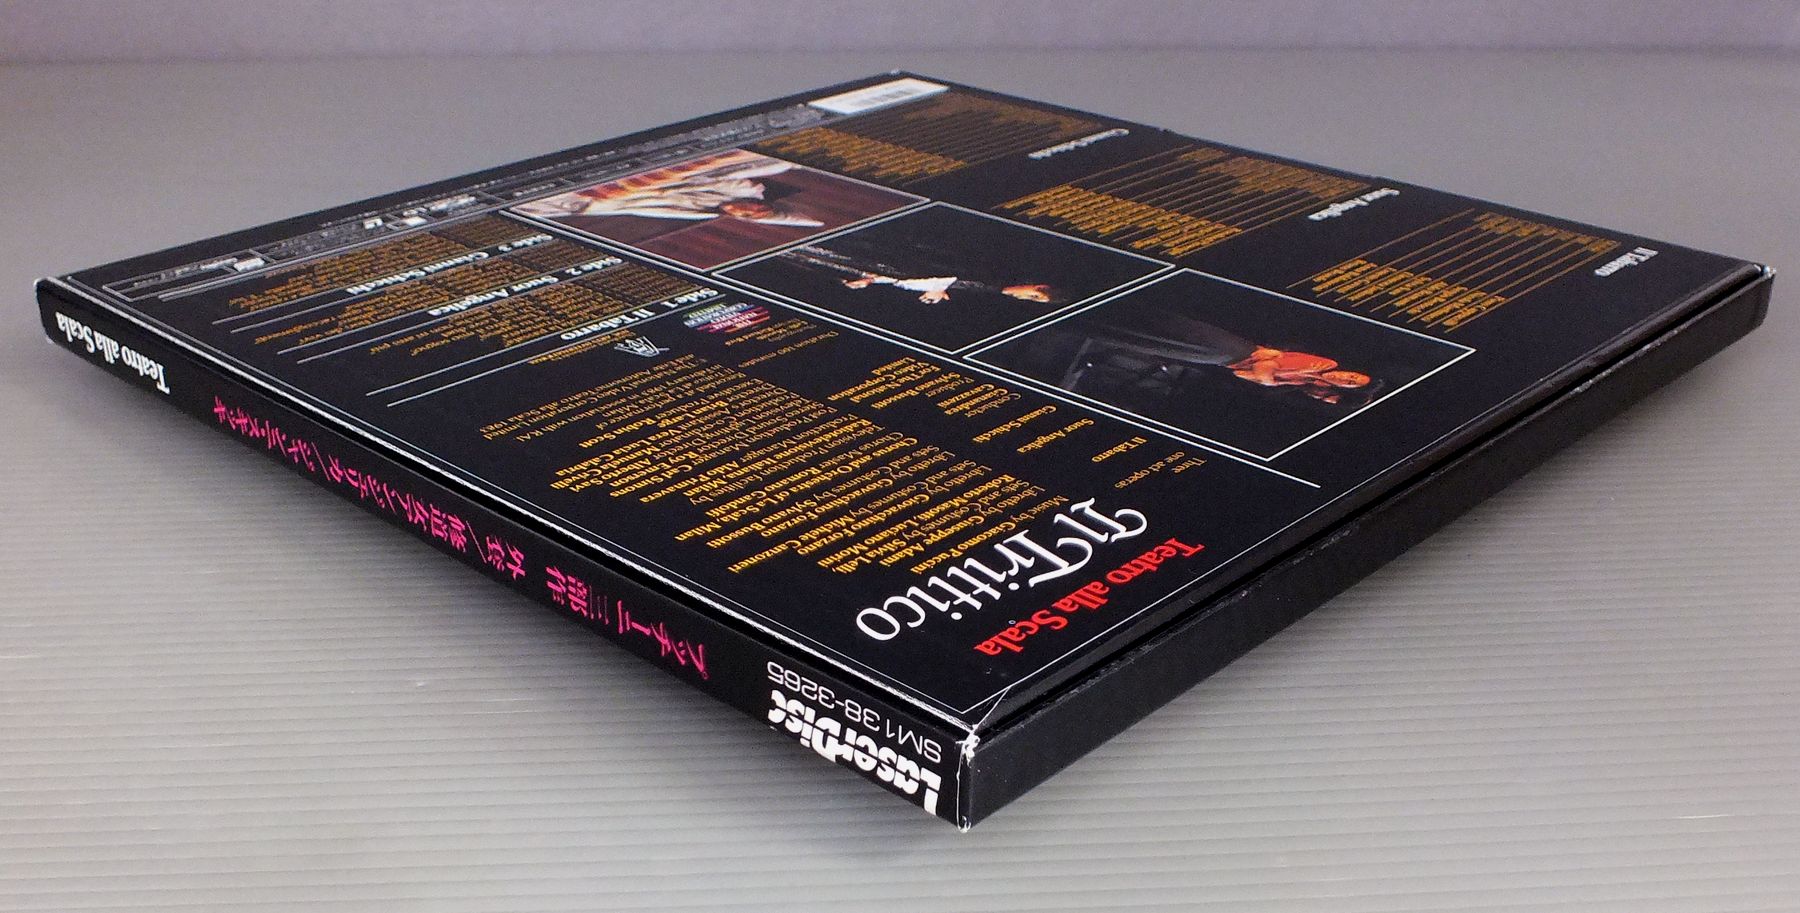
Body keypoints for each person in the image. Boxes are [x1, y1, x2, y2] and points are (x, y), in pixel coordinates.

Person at [516, 155, 824, 227]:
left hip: (599, 199)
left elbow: (652, 204)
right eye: (757, 211)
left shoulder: (703, 213)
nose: (743, 212)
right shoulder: (741, 187)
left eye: (746, 217)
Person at [841, 272, 1056, 305]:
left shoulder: (990, 293)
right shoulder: (995, 276)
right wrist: (939, 287)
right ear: (1039, 286)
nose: (1025, 298)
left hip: (884, 278)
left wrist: (871, 281)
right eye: (1034, 295)